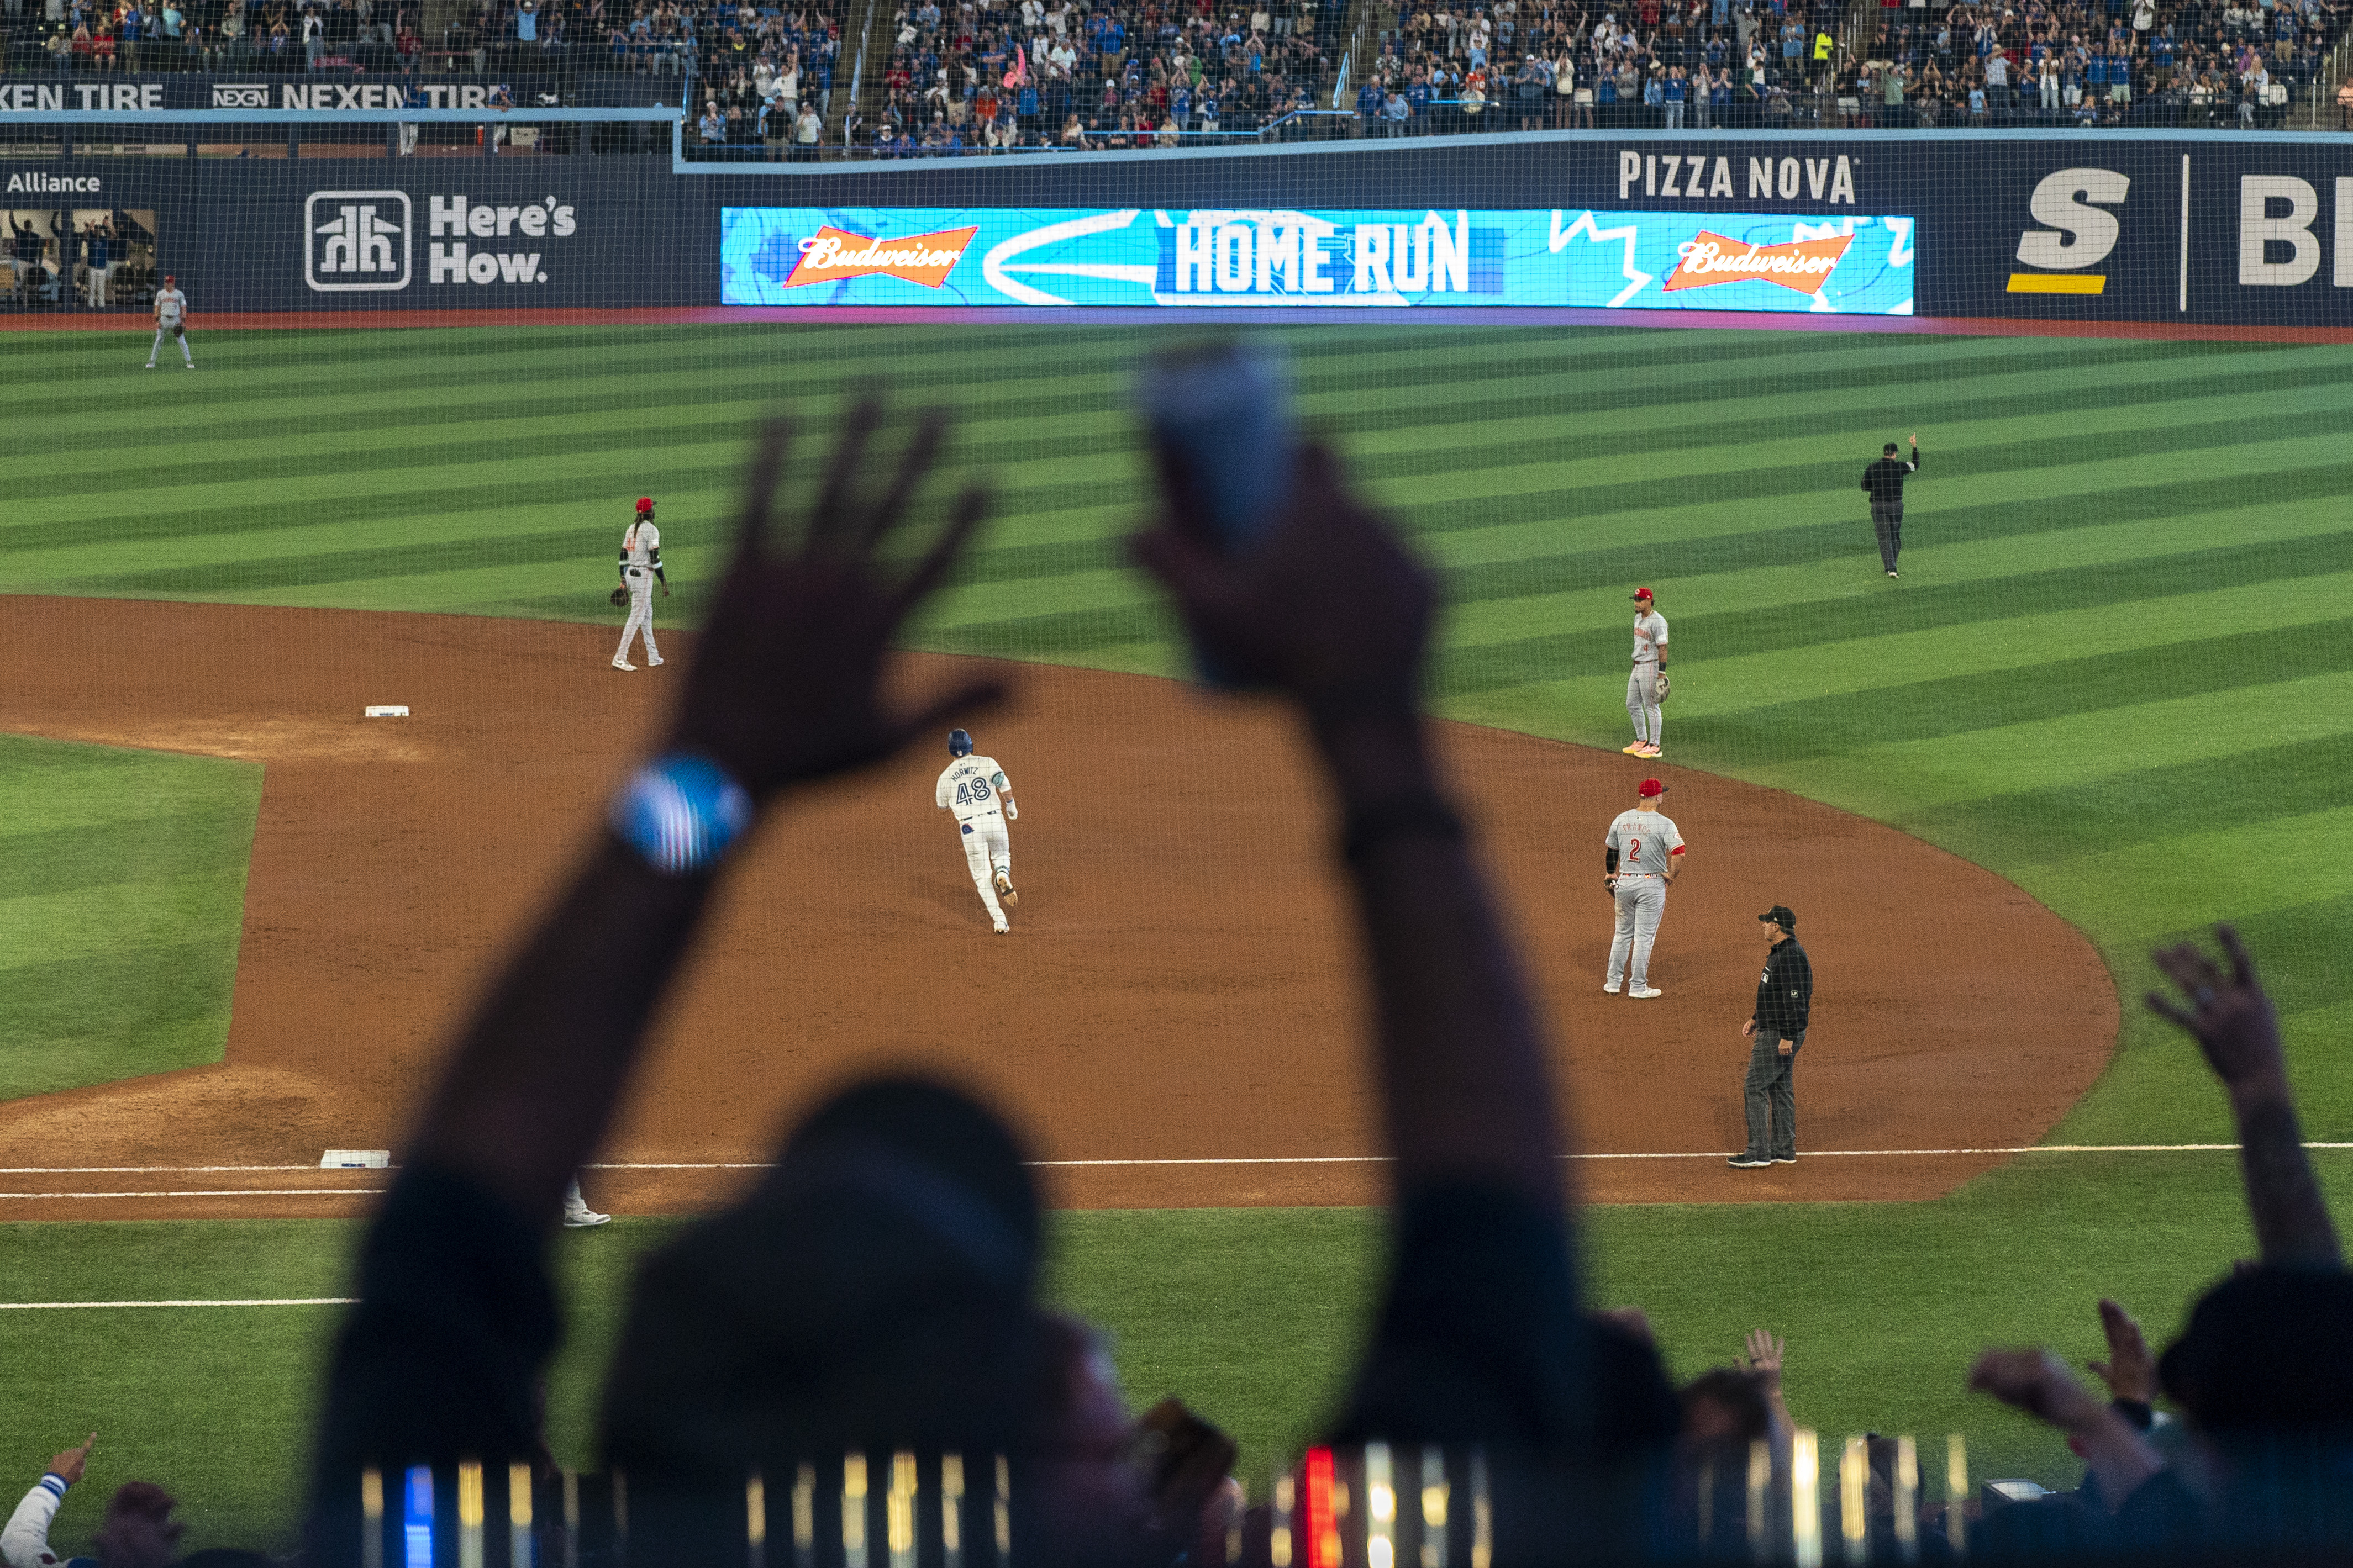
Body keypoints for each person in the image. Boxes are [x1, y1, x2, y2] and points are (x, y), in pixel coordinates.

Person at [1731, 904, 1811, 1168]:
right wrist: (1756, 1017)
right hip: (1774, 1026)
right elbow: (1774, 994)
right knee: (1780, 1088)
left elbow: (1795, 1000)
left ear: (1777, 926)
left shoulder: (1790, 957)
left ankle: (1758, 1152)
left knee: (1754, 1087)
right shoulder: (1781, 953)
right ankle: (1783, 1149)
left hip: (1779, 1032)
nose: (1763, 925)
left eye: (1767, 922)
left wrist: (1787, 1036)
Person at [1602, 778, 1685, 1000]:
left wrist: (1611, 874)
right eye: (1662, 794)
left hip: (1625, 882)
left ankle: (1613, 982)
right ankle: (1638, 986)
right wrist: (1672, 876)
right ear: (1657, 797)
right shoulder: (1665, 823)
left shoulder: (1621, 819)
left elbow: (1612, 850)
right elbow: (1679, 852)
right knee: (1644, 938)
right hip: (1651, 885)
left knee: (1621, 934)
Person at [934, 726, 1020, 933]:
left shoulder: (945, 776)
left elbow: (942, 806)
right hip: (994, 819)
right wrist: (1010, 804)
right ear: (970, 744)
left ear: (951, 751)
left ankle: (999, 920)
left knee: (982, 878)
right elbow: (1003, 782)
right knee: (1001, 854)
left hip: (970, 827)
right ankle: (1002, 874)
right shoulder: (987, 762)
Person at [612, 495, 669, 671]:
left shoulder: (631, 529)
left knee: (646, 617)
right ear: (649, 512)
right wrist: (663, 582)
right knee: (636, 617)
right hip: (643, 577)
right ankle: (620, 658)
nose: (654, 510)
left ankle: (653, 656)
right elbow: (654, 559)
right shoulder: (651, 530)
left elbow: (622, 555)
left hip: (630, 574)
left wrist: (623, 579)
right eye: (653, 508)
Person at [1859, 433, 1919, 577]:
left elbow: (1864, 487)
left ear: (1885, 453)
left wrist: (1878, 487)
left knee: (1884, 538)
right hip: (1896, 506)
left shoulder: (1872, 467)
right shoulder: (1900, 466)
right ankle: (1892, 565)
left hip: (1878, 507)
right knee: (1894, 537)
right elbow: (1915, 465)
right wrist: (1914, 447)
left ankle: (1891, 567)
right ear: (1894, 454)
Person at [1622, 585, 1667, 759]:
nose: (1637, 603)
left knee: (1651, 705)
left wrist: (1662, 673)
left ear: (1649, 600)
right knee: (1631, 703)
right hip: (1638, 666)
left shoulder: (1658, 621)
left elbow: (1663, 647)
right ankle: (1642, 740)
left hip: (1651, 666)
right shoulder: (1637, 619)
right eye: (1635, 600)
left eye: (1640, 600)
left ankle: (1655, 746)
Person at [145, 273, 191, 371]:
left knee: (182, 341)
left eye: (169, 282)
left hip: (175, 320)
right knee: (158, 341)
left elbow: (183, 308)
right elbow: (157, 307)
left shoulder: (179, 294)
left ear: (173, 283)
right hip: (164, 320)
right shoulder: (160, 293)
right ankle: (152, 362)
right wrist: (157, 321)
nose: (167, 284)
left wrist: (183, 321)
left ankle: (189, 362)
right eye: (166, 282)